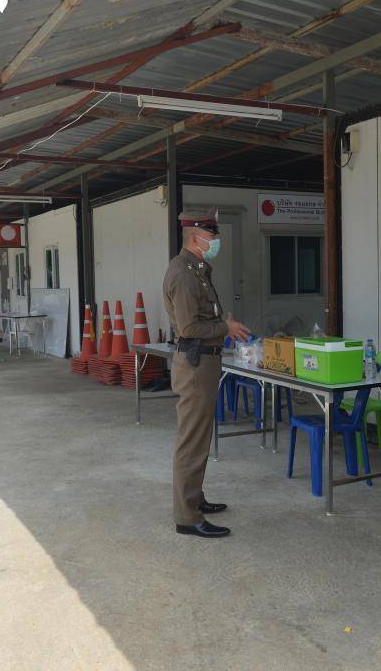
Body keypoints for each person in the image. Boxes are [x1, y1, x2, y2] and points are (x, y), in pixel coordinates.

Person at [163, 209, 250, 538]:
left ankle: (195, 499)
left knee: (198, 438)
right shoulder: (184, 274)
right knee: (192, 442)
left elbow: (202, 318)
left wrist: (224, 325)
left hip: (204, 363)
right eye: (212, 237)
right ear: (195, 237)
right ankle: (187, 517)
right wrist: (225, 328)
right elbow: (189, 328)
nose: (216, 242)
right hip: (195, 365)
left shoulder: (196, 269)